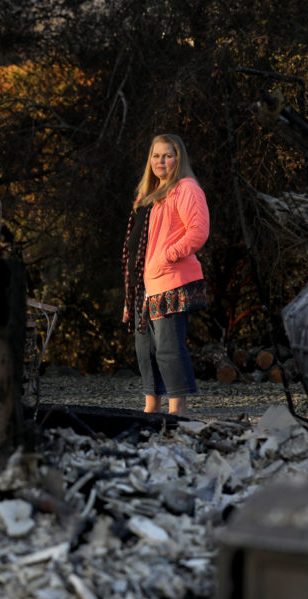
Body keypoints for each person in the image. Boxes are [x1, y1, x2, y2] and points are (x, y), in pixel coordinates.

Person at [121, 133, 209, 416]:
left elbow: (198, 231)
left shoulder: (185, 188)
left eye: (167, 155)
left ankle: (177, 411)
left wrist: (167, 256)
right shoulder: (146, 195)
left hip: (170, 280)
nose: (161, 161)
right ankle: (151, 408)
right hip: (143, 287)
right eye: (156, 155)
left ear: (178, 158)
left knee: (169, 349)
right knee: (145, 351)